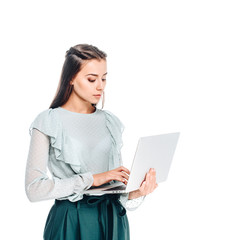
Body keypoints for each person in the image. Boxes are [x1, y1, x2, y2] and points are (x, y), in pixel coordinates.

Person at [25, 44, 158, 240]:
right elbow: (33, 189)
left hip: (112, 220)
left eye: (104, 78)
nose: (100, 86)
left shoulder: (110, 122)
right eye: (91, 79)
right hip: (71, 220)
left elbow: (113, 187)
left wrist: (137, 192)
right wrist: (92, 179)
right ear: (70, 78)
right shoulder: (48, 121)